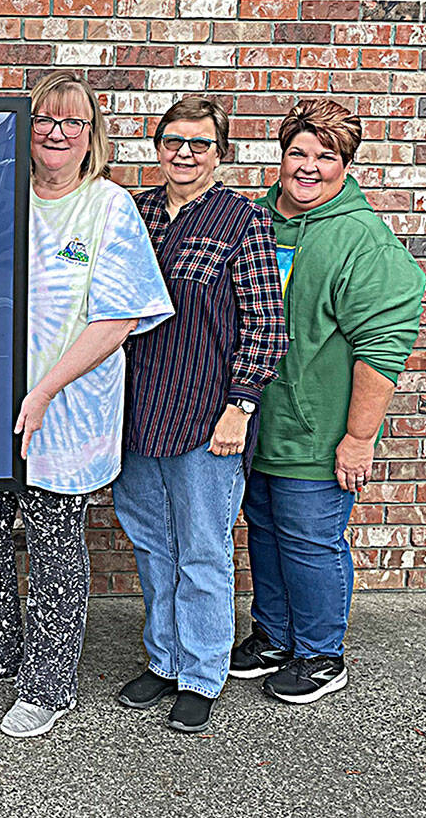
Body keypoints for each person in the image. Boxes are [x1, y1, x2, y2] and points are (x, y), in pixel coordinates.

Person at [0, 72, 173, 737]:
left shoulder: (108, 208)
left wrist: (41, 392)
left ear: (92, 133)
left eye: (72, 121)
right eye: (44, 119)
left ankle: (48, 684)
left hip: (66, 410)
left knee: (54, 545)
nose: (57, 132)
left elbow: (118, 319)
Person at [229, 99, 426, 704]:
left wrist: (359, 437)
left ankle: (321, 654)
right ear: (281, 156)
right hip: (256, 421)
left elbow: (383, 347)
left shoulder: (362, 241)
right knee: (262, 528)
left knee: (310, 540)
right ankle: (275, 635)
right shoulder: (254, 221)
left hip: (320, 428)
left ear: (346, 166)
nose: (308, 167)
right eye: (298, 152)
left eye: (326, 156)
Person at [113, 96, 288, 733]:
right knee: (153, 546)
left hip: (207, 415)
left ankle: (203, 672)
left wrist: (240, 407)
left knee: (204, 553)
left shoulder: (243, 221)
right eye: (172, 141)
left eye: (200, 143)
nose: (184, 154)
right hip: (134, 414)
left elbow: (267, 326)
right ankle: (163, 660)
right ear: (156, 146)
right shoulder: (136, 212)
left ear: (221, 152)